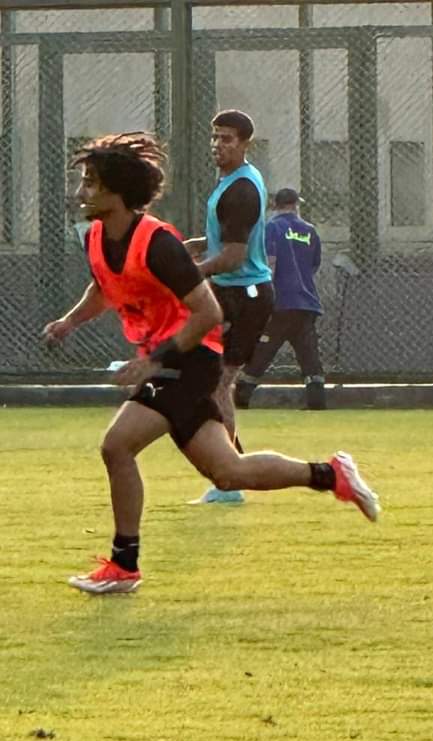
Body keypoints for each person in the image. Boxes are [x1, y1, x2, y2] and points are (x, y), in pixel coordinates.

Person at [42, 132, 380, 595]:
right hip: (168, 361)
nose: (80, 192)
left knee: (117, 446)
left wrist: (153, 361)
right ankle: (330, 474)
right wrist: (68, 322)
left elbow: (209, 313)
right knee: (228, 472)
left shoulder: (159, 244)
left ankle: (124, 565)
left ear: (117, 192)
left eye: (89, 183)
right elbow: (104, 287)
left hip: (189, 359)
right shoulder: (97, 237)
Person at [184, 109, 274, 504]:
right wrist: (198, 245)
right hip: (231, 292)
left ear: (245, 144)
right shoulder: (231, 182)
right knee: (208, 382)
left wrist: (193, 272)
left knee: (219, 384)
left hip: (245, 295)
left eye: (227, 139)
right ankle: (231, 468)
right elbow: (230, 237)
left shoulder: (242, 191)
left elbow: (235, 257)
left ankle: (232, 478)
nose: (218, 145)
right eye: (215, 137)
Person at [236, 187, 327, 411]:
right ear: (296, 205)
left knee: (263, 350)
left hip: (280, 303)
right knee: (309, 354)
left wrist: (263, 297)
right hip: (306, 302)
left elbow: (270, 263)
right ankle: (317, 399)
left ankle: (241, 396)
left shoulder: (272, 228)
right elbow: (313, 265)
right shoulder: (310, 231)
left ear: (275, 205)